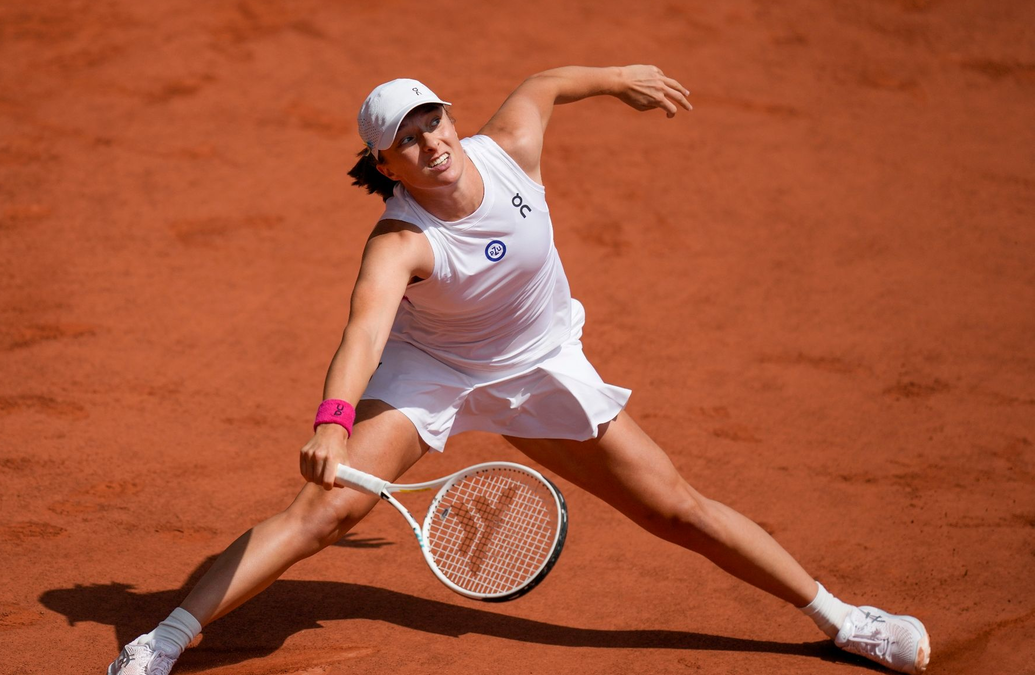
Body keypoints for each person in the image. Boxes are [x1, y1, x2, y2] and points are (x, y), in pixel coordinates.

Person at [107, 65, 930, 675]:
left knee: (676, 508)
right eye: (407, 140)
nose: (431, 144)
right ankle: (160, 642)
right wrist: (332, 421)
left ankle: (845, 619)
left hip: (539, 366)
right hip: (434, 369)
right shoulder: (400, 242)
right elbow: (362, 333)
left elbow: (547, 83)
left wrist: (619, 78)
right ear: (385, 165)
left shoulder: (510, 147)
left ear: (451, 118)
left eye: (434, 122)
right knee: (324, 513)